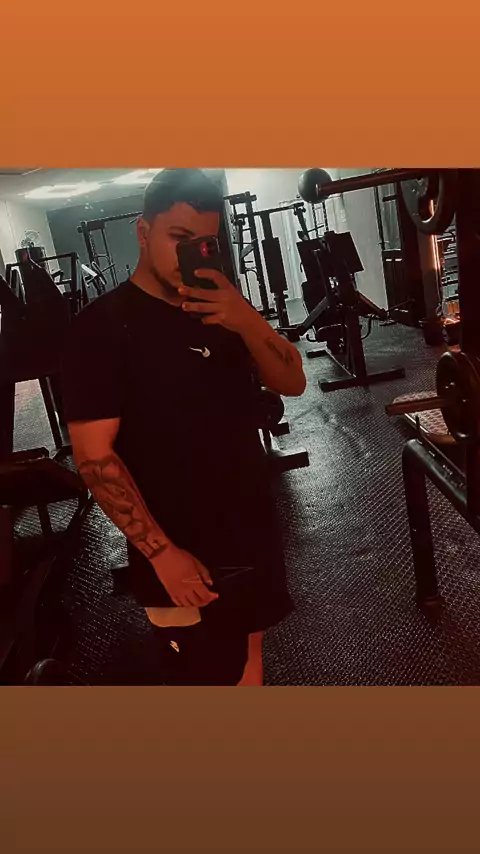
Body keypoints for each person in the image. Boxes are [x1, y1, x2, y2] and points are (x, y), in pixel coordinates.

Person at [61, 168, 306, 686]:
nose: (191, 253)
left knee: (249, 662)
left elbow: (292, 382)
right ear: (143, 231)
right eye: (178, 237)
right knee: (203, 680)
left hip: (249, 528)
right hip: (179, 546)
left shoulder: (220, 308)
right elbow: (94, 457)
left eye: (204, 242)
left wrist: (245, 318)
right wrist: (162, 555)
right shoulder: (101, 328)